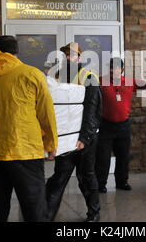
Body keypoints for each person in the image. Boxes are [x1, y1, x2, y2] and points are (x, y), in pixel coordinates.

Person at [0, 35, 58, 222]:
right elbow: (46, 112)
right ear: (17, 52)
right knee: (34, 209)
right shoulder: (32, 74)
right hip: (26, 152)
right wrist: (51, 143)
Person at [46, 43, 102, 222]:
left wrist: (84, 138)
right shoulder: (56, 77)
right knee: (59, 177)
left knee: (86, 176)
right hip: (65, 139)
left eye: (72, 55)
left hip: (85, 139)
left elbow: (93, 110)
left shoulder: (89, 76)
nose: (69, 58)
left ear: (79, 57)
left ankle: (94, 214)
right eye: (66, 55)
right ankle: (45, 216)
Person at [96, 57, 146, 192]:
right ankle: (100, 184)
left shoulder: (129, 81)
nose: (114, 70)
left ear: (122, 69)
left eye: (117, 68)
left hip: (123, 126)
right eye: (112, 67)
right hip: (106, 126)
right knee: (103, 158)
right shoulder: (101, 80)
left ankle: (121, 182)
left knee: (123, 156)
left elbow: (143, 84)